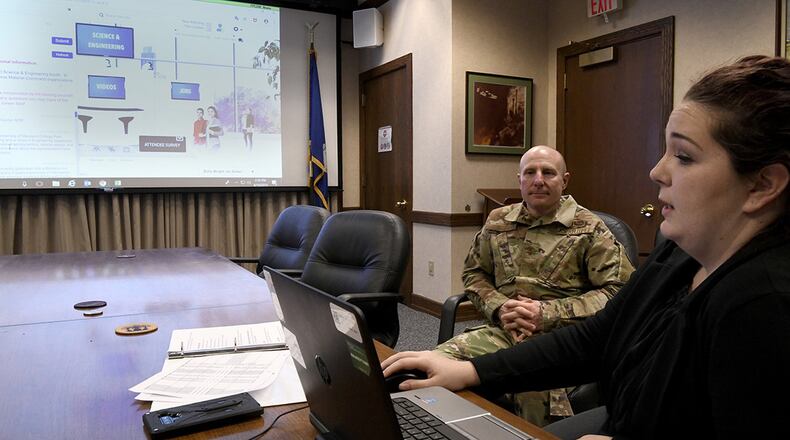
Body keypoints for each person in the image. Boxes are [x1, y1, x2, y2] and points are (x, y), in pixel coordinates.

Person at [382, 55, 790, 439]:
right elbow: (599, 337)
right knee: (417, 390)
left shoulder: (765, 305)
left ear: (761, 185)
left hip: (568, 359)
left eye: (683, 155)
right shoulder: (677, 254)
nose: (657, 170)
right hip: (522, 346)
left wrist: (547, 314)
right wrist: (471, 370)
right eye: (666, 151)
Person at [435, 145, 634, 426]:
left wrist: (546, 313)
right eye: (530, 172)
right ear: (520, 179)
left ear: (564, 180)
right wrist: (500, 307)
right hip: (502, 331)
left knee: (531, 395)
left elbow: (619, 293)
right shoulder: (498, 221)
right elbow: (474, 273)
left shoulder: (590, 228)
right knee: (433, 368)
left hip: (560, 341)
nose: (538, 179)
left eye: (548, 173)